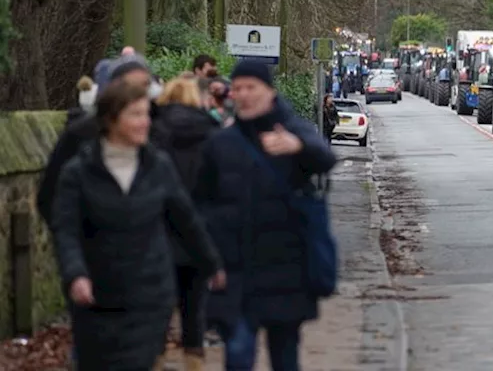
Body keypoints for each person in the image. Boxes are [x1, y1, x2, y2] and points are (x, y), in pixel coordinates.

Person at [50, 80, 225, 371]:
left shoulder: (158, 166)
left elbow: (186, 220)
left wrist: (212, 264)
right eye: (135, 114)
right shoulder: (78, 172)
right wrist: (75, 273)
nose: (145, 122)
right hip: (96, 295)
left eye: (146, 114)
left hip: (149, 294)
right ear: (110, 118)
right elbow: (65, 228)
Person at [200, 61, 337, 371]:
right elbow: (199, 201)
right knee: (237, 353)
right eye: (238, 89)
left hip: (285, 268)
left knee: (285, 357)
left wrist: (298, 146)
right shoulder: (219, 143)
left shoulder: (291, 129)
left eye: (252, 88)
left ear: (270, 92)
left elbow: (326, 158)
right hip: (234, 269)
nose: (245, 95)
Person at [37, 54, 170, 227]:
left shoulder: (160, 131)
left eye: (145, 85)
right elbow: (51, 195)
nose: (139, 92)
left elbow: (178, 203)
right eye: (131, 85)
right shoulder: (81, 133)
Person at [155, 78, 222, 371]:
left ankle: (155, 359)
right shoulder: (211, 132)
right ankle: (193, 362)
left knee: (157, 311)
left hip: (158, 234)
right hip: (198, 232)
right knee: (194, 309)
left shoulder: (152, 131)